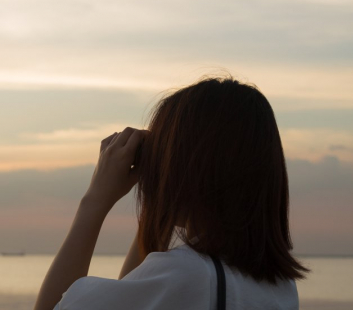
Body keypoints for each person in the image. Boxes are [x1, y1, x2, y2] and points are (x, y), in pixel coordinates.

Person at [34, 77, 308, 310]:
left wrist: (94, 201)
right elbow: (135, 289)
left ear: (186, 168)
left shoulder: (189, 276)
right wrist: (158, 202)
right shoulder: (278, 285)